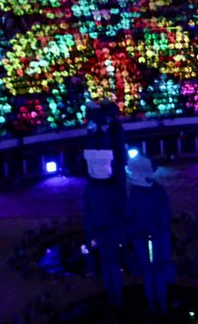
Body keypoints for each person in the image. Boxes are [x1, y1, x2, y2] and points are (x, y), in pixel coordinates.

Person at [82, 100, 127, 310]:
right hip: (103, 187)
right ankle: (113, 295)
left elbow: (119, 152)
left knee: (109, 259)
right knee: (109, 260)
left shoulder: (113, 129)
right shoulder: (96, 130)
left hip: (108, 183)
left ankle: (113, 295)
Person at [126, 156, 174, 316]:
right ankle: (162, 307)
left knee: (148, 272)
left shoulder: (136, 193)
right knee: (158, 271)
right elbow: (165, 217)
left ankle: (154, 307)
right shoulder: (159, 192)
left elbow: (129, 215)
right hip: (157, 236)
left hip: (141, 237)